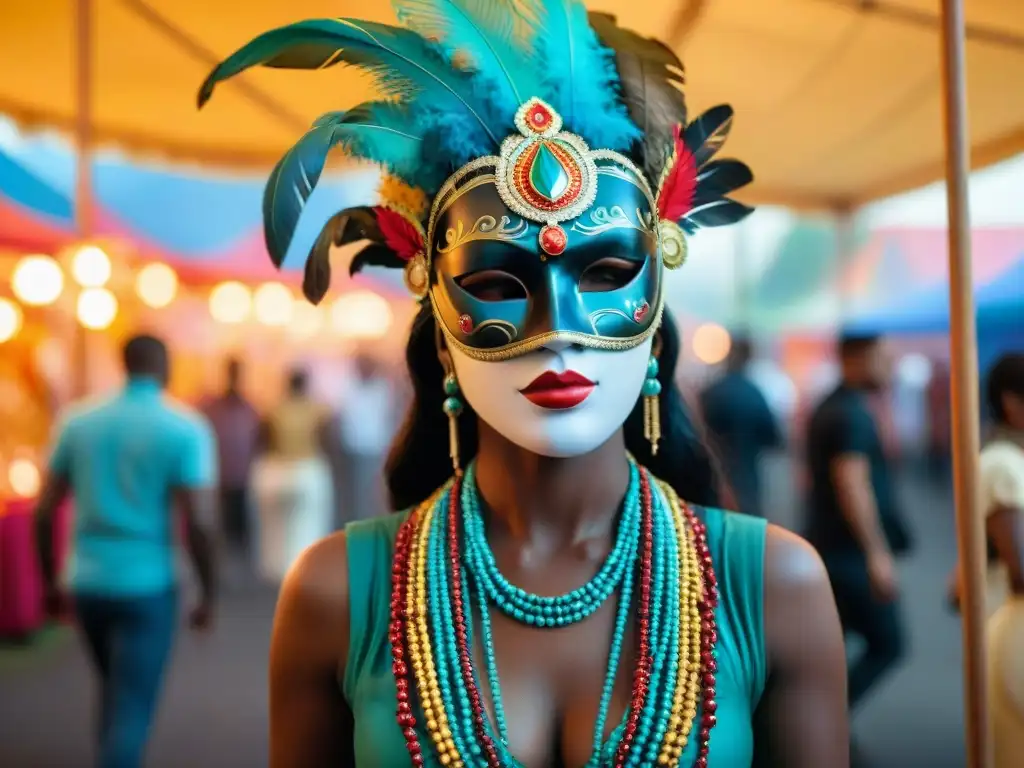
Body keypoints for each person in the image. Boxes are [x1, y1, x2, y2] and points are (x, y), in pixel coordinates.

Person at [201, 5, 849, 766]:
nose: (561, 330)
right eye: (498, 283)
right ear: (440, 330)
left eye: (606, 274)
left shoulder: (774, 586)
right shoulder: (335, 594)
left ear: (655, 315)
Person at [33, 334, 218, 768]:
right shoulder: (184, 428)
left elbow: (44, 511)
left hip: (86, 581)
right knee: (132, 704)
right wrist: (208, 593)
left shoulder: (77, 422)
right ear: (165, 367)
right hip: (148, 585)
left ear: (124, 364)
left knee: (114, 690)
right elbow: (200, 523)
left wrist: (49, 582)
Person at [804, 333, 911, 714]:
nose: (889, 366)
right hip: (848, 554)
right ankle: (829, 722)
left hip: (832, 548)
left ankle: (820, 724)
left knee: (831, 643)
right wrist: (877, 554)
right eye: (882, 357)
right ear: (856, 358)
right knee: (889, 643)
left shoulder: (835, 405)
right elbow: (852, 483)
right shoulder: (849, 412)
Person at [947, 353, 1024, 767]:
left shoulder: (1005, 461)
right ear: (1012, 402)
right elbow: (1021, 571)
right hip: (1009, 624)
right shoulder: (1003, 465)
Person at [251, 368, 339, 580]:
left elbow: (262, 441)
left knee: (276, 527)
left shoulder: (272, 409)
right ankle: (308, 563)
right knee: (309, 523)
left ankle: (279, 568)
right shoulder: (318, 410)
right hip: (308, 472)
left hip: (277, 472)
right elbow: (327, 441)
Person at [700, 337, 783, 517]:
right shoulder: (755, 393)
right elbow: (773, 437)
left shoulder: (712, 392)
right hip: (748, 474)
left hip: (713, 475)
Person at [202, 357, 260, 568]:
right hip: (222, 473)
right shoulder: (214, 407)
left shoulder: (249, 407)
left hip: (242, 473)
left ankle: (241, 564)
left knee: (242, 521)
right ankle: (227, 564)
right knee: (224, 520)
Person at [337, 353, 395, 523]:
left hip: (375, 449)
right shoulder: (349, 386)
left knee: (373, 493)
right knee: (354, 494)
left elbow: (388, 416)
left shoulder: (382, 388)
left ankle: (372, 524)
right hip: (352, 450)